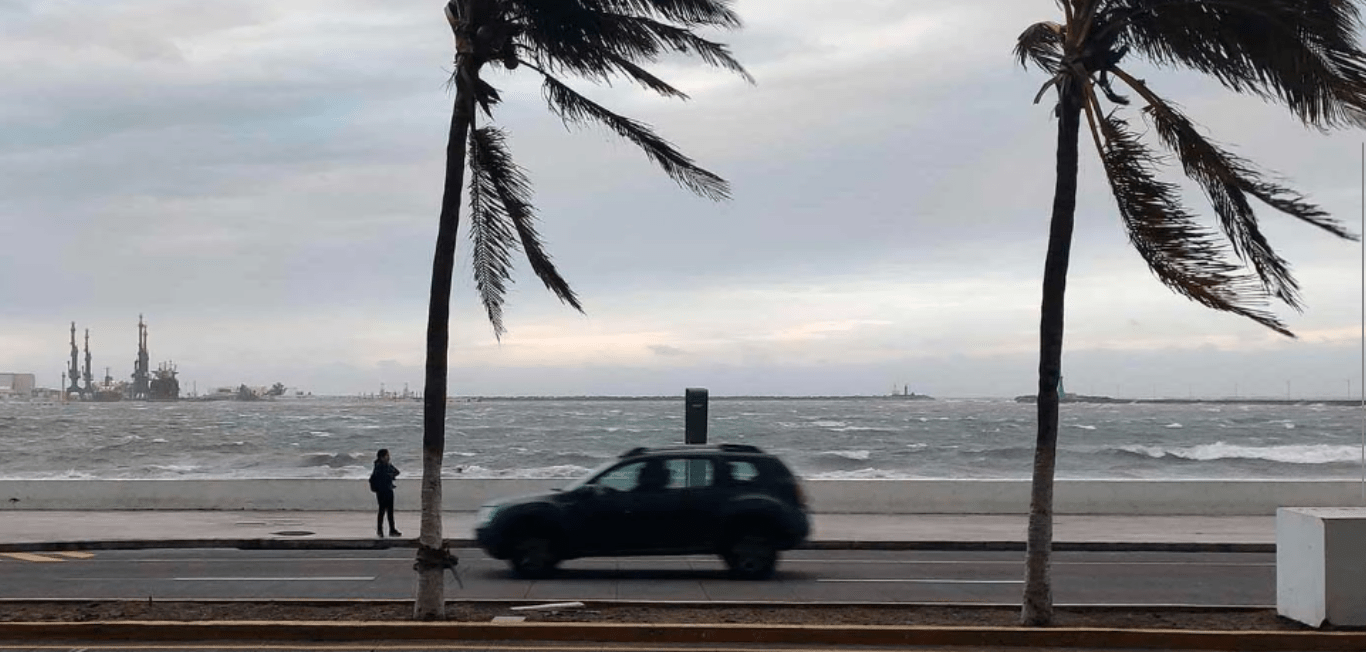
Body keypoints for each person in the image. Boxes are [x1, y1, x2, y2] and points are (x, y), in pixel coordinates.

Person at [369, 448, 401, 537]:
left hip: (388, 489)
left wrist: (390, 475)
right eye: (387, 455)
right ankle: (380, 530)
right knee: (382, 511)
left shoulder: (387, 465)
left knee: (389, 511)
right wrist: (390, 476)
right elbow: (378, 477)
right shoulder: (378, 466)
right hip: (382, 491)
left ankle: (392, 530)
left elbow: (397, 472)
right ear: (382, 457)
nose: (388, 457)